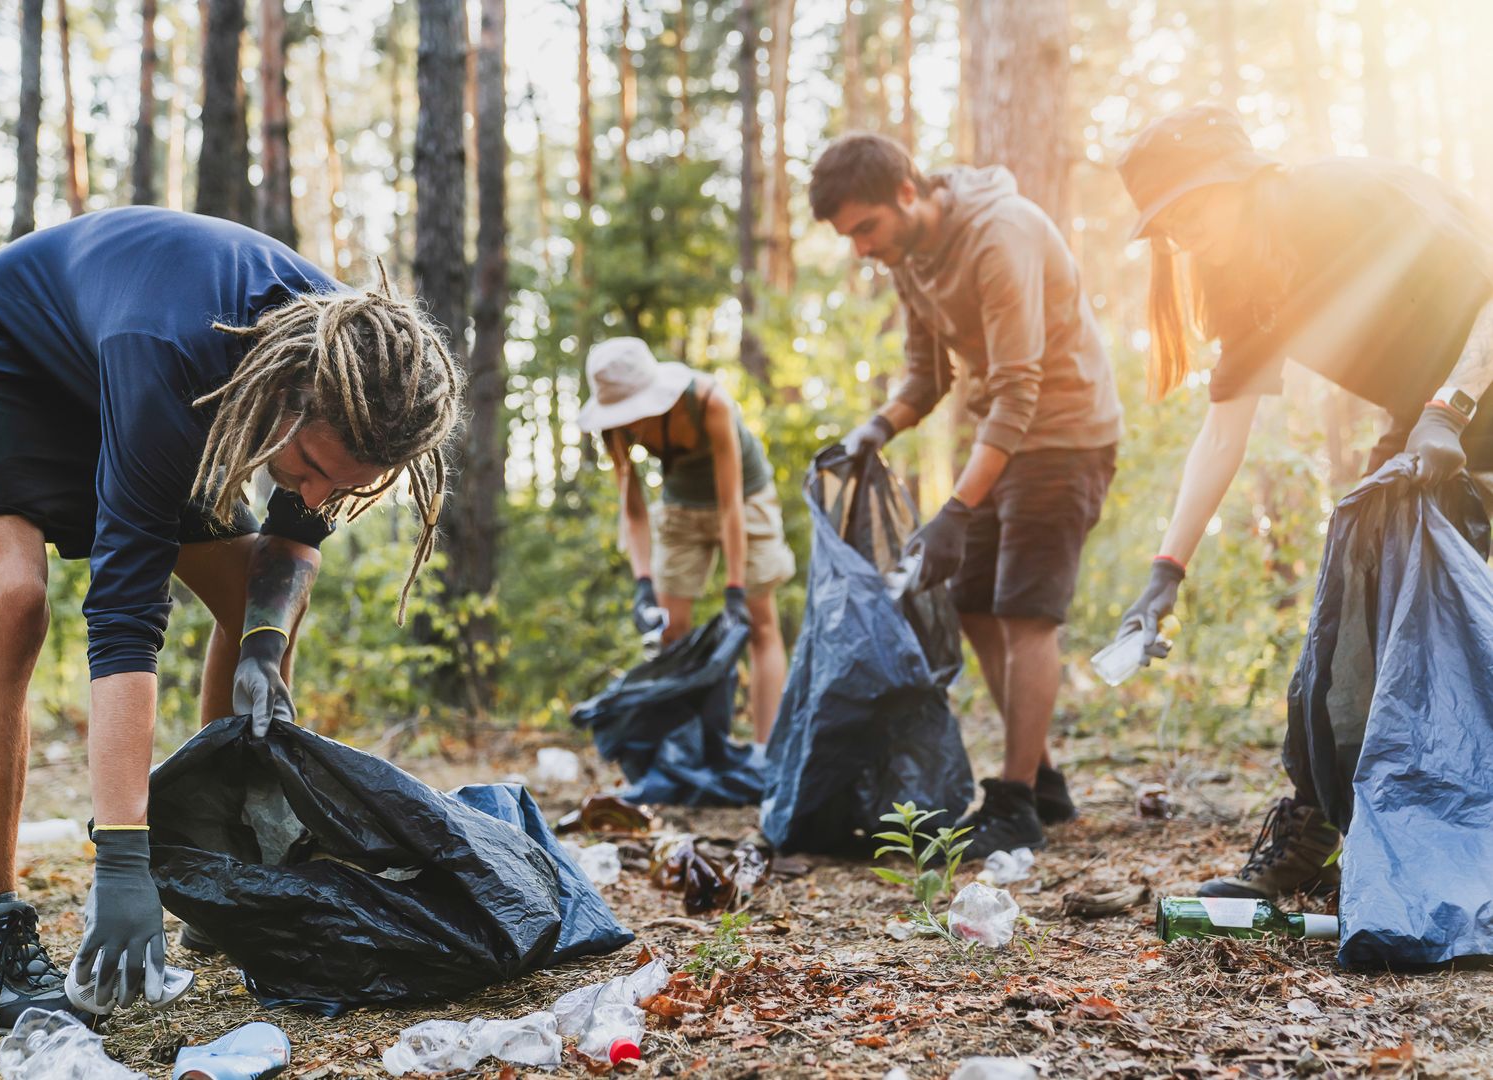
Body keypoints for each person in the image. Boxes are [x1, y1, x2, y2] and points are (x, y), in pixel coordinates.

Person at [0, 207, 463, 1033]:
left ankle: (219, 864)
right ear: (285, 393)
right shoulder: (184, 355)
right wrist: (122, 859)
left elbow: (292, 542)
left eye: (340, 485)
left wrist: (264, 649)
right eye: (307, 467)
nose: (313, 493)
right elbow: (125, 615)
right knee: (13, 603)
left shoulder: (366, 373)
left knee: (256, 601)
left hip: (151, 375)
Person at [1112, 104, 1493, 901]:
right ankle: (1317, 824)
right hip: (1429, 425)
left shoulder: (1342, 198)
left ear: (1243, 178)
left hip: (1458, 402)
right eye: (1166, 221)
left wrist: (1447, 408)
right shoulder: (1237, 282)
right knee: (1352, 610)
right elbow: (1221, 435)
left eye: (1192, 204)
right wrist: (1164, 570)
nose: (1182, 231)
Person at [809, 133, 1123, 858]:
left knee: (1025, 615)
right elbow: (927, 377)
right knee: (972, 601)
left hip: (1067, 432)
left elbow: (1020, 387)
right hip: (1001, 438)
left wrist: (954, 508)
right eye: (848, 236)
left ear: (908, 193)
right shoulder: (909, 256)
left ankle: (1012, 803)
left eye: (866, 228)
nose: (860, 249)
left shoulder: (997, 236)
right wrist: (872, 431)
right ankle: (1042, 779)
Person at [579, 337, 796, 759]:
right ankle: (685, 751)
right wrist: (643, 583)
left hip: (745, 498)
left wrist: (734, 589)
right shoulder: (613, 427)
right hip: (681, 505)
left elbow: (730, 500)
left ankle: (767, 753)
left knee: (758, 619)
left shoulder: (709, 401)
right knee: (671, 630)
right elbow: (634, 507)